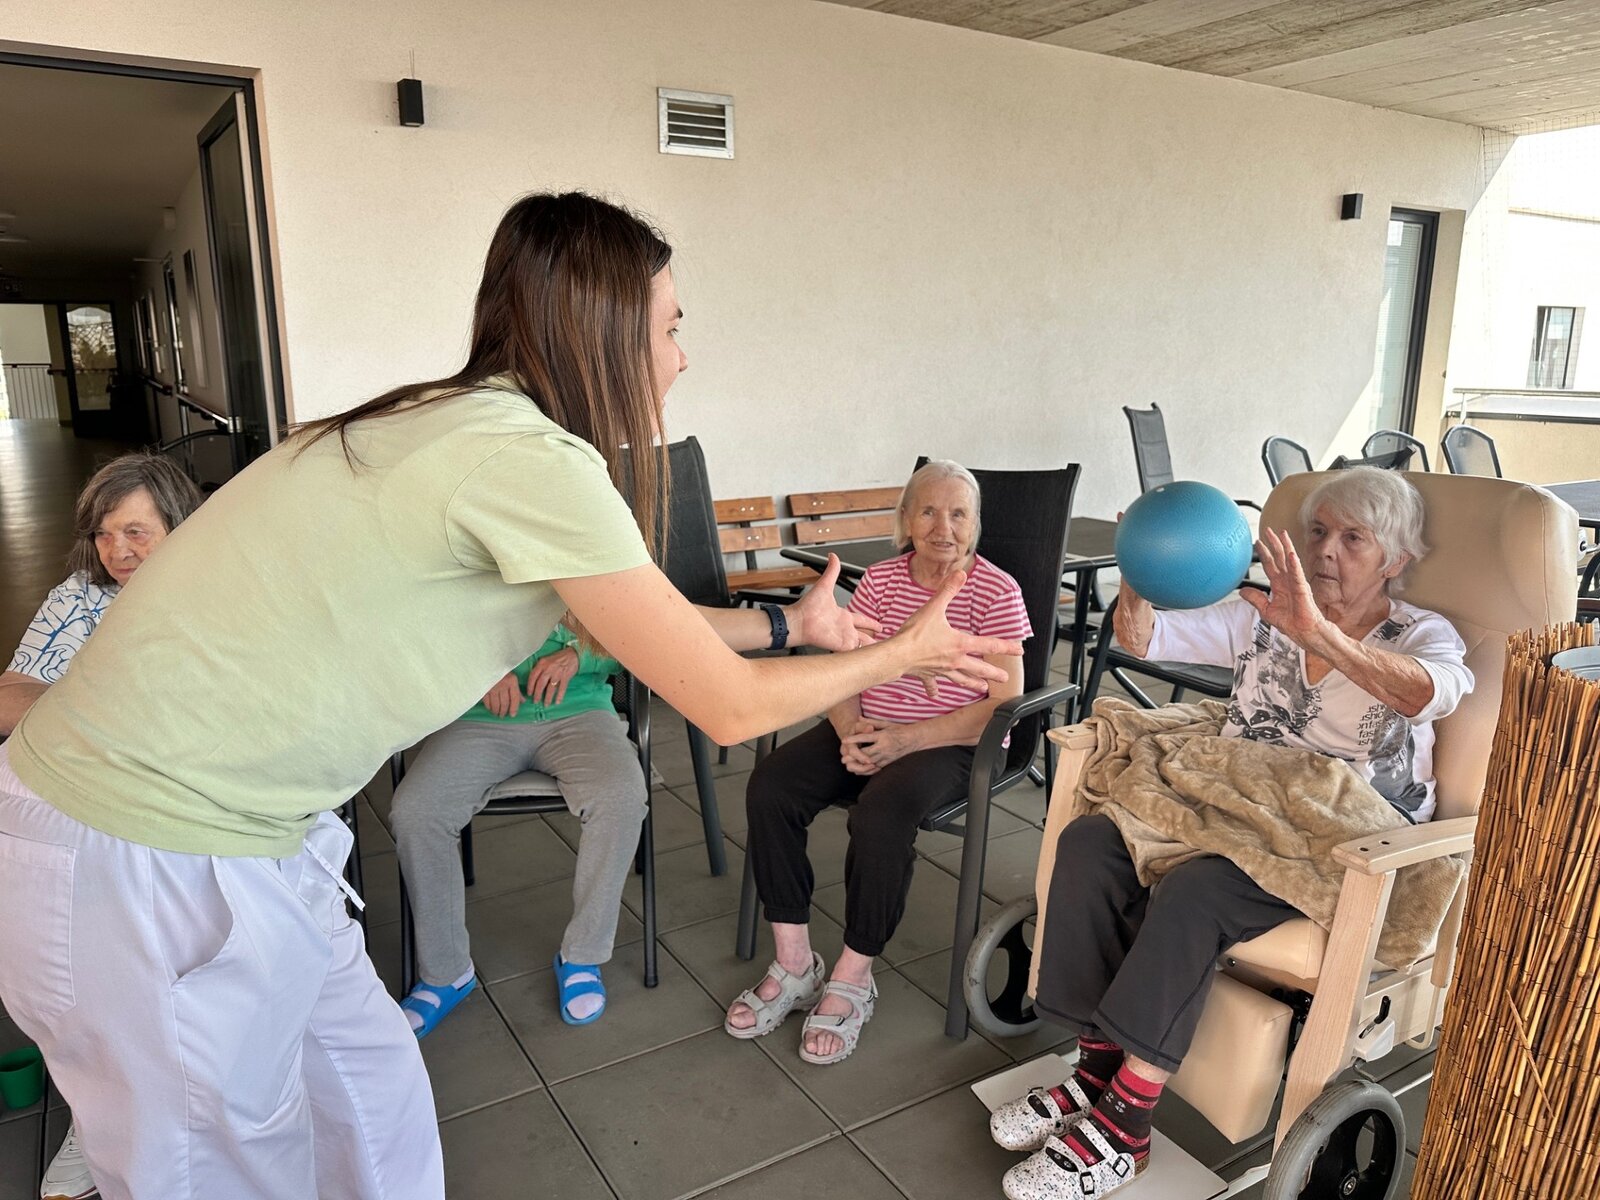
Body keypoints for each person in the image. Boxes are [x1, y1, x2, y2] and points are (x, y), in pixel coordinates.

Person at [0, 192, 1020, 1200]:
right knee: (219, 1172)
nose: (681, 356)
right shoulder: (529, 459)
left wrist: (792, 625)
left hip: (227, 835)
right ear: (603, 334)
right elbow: (731, 707)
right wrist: (901, 652)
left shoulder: (437, 420)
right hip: (143, 851)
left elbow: (632, 622)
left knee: (372, 1103)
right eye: (670, 327)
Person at [989, 467, 1472, 1200]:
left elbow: (1425, 693)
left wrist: (1319, 634)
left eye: (1354, 538)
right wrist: (1142, 571)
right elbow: (1143, 638)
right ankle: (1095, 1070)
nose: (1327, 550)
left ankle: (1126, 1126)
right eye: (1318, 531)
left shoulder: (1424, 634)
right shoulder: (1260, 615)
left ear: (1395, 559)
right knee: (1090, 842)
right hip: (1237, 800)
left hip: (1340, 833)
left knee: (1197, 891)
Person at [725, 460, 1032, 1064]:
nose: (943, 527)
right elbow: (843, 668)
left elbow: (1005, 705)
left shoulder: (997, 590)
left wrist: (905, 741)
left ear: (974, 524)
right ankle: (794, 963)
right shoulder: (882, 580)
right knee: (772, 785)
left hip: (953, 742)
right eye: (928, 511)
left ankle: (853, 974)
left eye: (959, 514)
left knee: (880, 814)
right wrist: (849, 729)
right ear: (906, 520)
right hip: (869, 727)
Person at [0, 453, 202, 1200]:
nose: (117, 550)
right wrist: (105, 715)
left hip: (188, 804)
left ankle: (187, 1110)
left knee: (163, 960)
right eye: (105, 533)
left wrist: (78, 710)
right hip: (82, 804)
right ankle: (102, 1125)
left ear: (179, 527)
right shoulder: (80, 597)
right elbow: (10, 694)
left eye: (136, 532)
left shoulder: (218, 593)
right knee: (77, 967)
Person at [391, 621, 643, 1033]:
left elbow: (638, 634)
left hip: (580, 714)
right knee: (417, 812)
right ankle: (446, 972)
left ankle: (582, 956)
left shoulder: (594, 574)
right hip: (480, 717)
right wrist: (480, 671)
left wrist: (580, 655)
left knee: (621, 799)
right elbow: (426, 631)